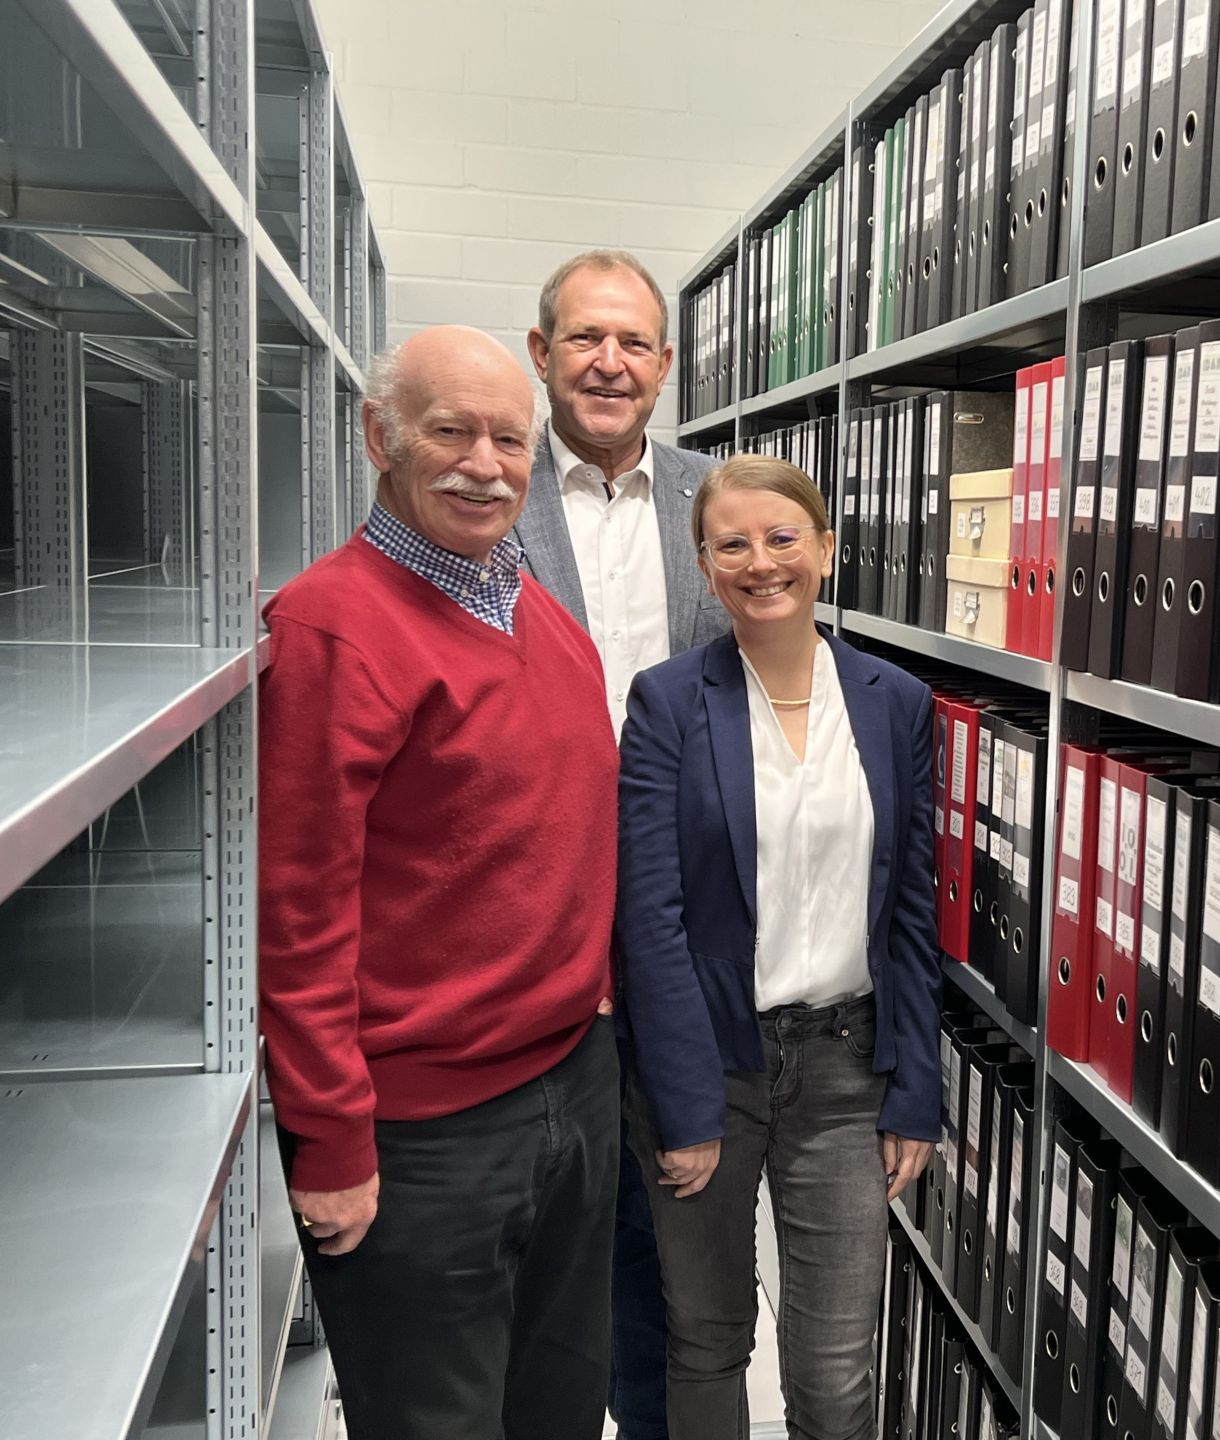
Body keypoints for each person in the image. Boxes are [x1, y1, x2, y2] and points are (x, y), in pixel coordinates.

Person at [257, 325, 620, 1440]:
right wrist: (330, 1142)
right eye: (450, 432)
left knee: (559, 1406)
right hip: (423, 1139)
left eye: (510, 438)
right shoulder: (332, 626)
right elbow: (298, 913)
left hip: (572, 1084)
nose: (486, 464)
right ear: (381, 437)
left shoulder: (533, 605)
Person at [617, 455, 942, 1440]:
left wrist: (916, 1087)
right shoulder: (669, 701)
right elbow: (652, 920)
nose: (761, 562)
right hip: (710, 1067)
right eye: (733, 544)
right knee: (708, 1340)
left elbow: (914, 909)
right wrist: (680, 1105)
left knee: (837, 1367)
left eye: (783, 537)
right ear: (706, 568)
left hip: (850, 1068)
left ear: (827, 549)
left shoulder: (894, 703)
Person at [513, 248, 730, 1440]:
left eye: (634, 344)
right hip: (535, 912)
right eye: (585, 339)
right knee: (550, 1228)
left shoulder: (715, 504)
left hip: (681, 920)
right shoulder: (491, 497)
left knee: (672, 1227)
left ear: (663, 366)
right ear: (541, 355)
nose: (610, 363)